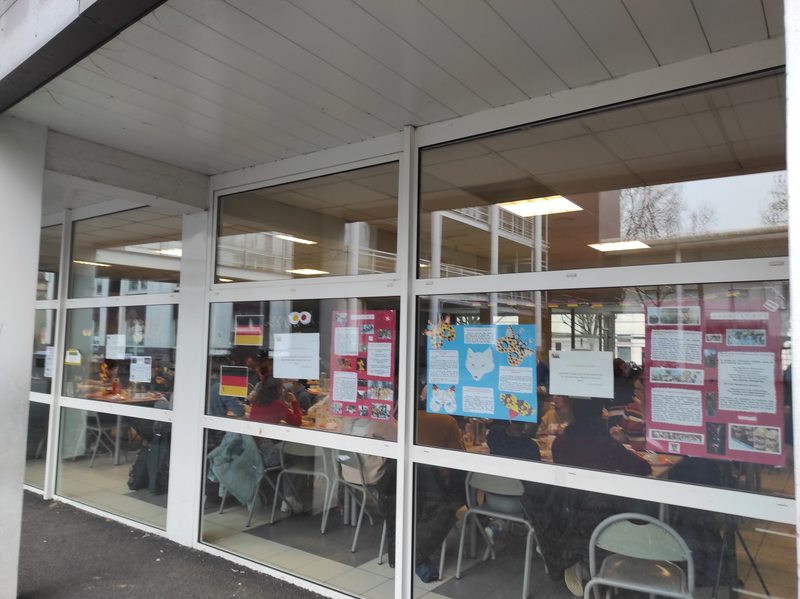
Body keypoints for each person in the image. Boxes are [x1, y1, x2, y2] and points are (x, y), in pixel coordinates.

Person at [552, 398, 651, 476]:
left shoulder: (560, 441)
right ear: (600, 414)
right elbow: (644, 468)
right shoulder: (607, 445)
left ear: (573, 413)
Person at [610, 368, 646, 450]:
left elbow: (653, 440)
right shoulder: (630, 408)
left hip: (652, 455)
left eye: (639, 389)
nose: (635, 392)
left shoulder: (658, 410)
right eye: (635, 388)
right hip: (634, 454)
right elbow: (626, 437)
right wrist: (618, 435)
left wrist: (644, 411)